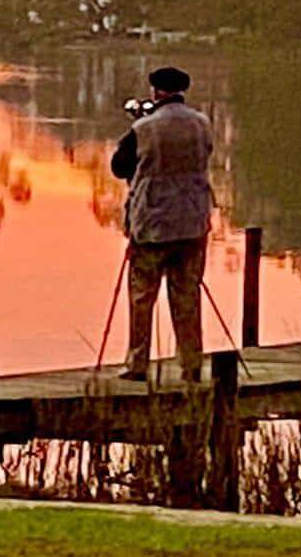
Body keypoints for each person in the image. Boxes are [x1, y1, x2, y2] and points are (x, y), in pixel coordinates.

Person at [110, 66, 214, 382]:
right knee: (187, 295)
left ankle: (137, 363)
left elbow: (119, 167)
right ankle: (191, 362)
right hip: (193, 221)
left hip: (152, 223)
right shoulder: (203, 124)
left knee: (142, 296)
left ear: (157, 92)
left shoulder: (143, 128)